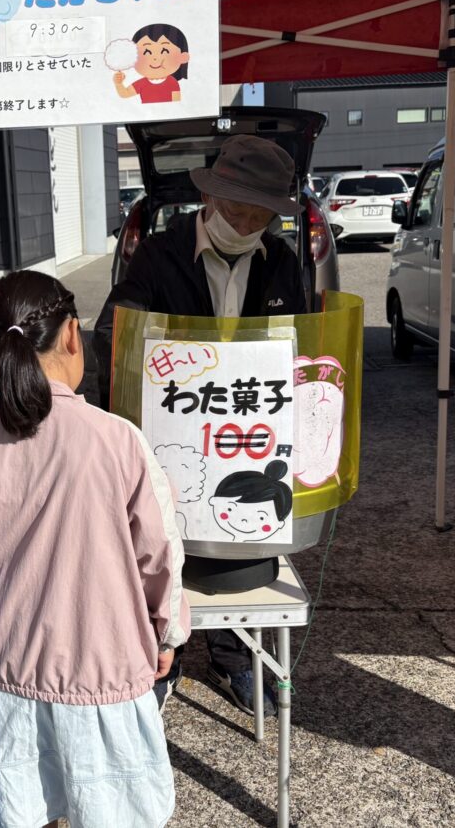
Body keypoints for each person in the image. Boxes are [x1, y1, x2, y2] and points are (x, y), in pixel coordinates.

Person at [0, 270, 190, 828]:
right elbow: (160, 555)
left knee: (31, 802)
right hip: (105, 669)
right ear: (72, 335)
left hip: (9, 670)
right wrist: (168, 631)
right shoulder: (116, 438)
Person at [94, 134, 309, 718]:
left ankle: (235, 657)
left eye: (257, 214)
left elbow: (303, 348)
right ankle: (168, 654)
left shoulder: (283, 264)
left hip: (247, 434)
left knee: (240, 544)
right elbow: (113, 332)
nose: (242, 222)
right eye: (233, 208)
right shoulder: (160, 254)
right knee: (166, 545)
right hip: (176, 431)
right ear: (209, 197)